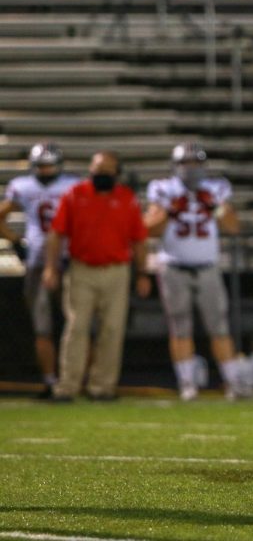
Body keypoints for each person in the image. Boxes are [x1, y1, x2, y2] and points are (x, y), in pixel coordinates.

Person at [144, 142, 253, 401]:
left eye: (196, 163)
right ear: (175, 166)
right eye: (186, 163)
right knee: (180, 327)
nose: (191, 169)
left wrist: (214, 207)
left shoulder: (216, 189)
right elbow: (149, 229)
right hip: (173, 266)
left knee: (219, 327)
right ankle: (187, 384)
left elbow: (234, 227)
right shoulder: (163, 189)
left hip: (207, 268)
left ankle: (233, 383)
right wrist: (172, 210)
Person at [42, 151, 151, 401]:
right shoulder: (75, 194)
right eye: (97, 170)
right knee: (77, 327)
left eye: (107, 171)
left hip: (116, 271)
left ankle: (102, 387)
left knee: (112, 330)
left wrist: (143, 272)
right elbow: (57, 233)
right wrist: (51, 267)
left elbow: (139, 240)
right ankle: (67, 386)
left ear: (117, 173)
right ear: (90, 170)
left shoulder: (127, 198)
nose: (101, 175)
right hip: (82, 269)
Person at [0, 143, 79, 398]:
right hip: (37, 260)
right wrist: (14, 241)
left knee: (77, 325)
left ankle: (74, 379)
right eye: (41, 167)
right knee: (42, 326)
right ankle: (49, 381)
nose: (45, 171)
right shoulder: (23, 186)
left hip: (70, 261)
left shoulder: (73, 186)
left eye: (49, 166)